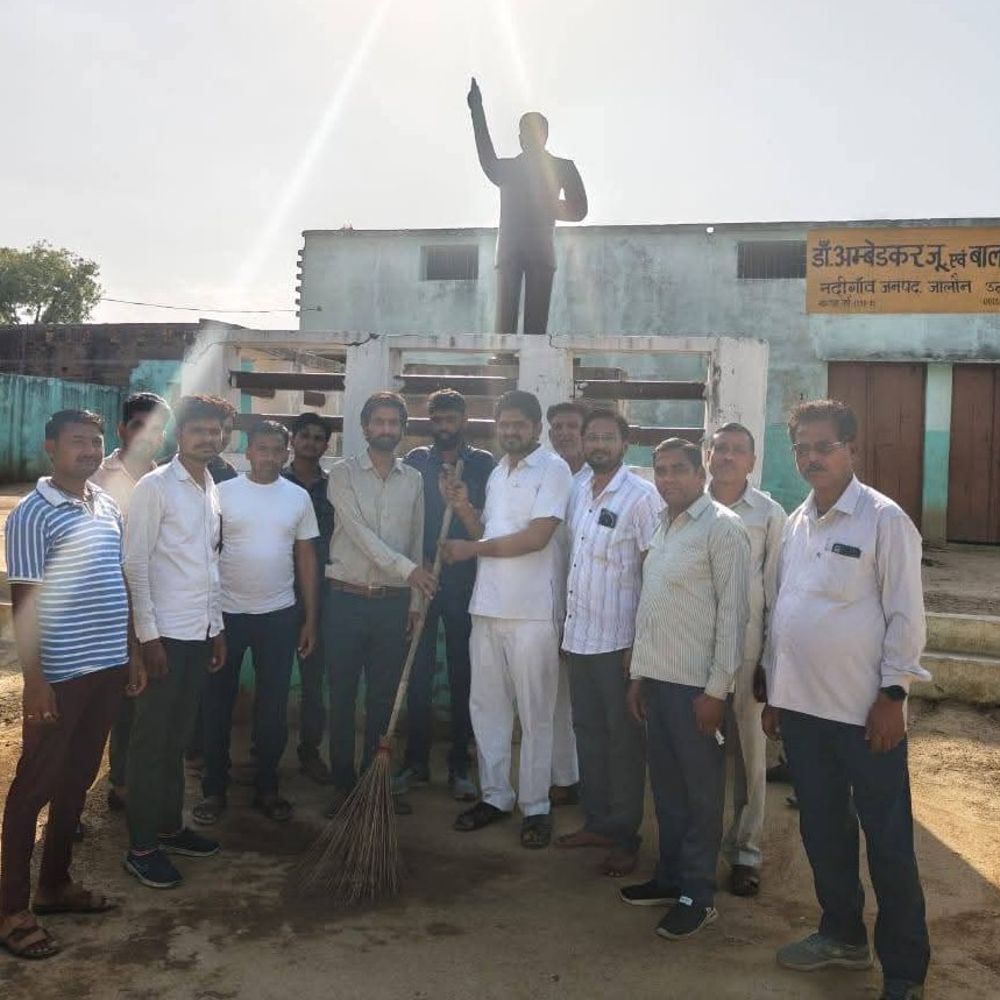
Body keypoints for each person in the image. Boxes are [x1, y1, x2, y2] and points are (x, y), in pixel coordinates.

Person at [762, 399, 931, 1000]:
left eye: (824, 446)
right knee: (824, 831)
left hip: (865, 717)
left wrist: (893, 695)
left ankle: (905, 971)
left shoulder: (884, 521)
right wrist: (776, 692)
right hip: (804, 714)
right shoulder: (797, 521)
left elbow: (906, 617)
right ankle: (841, 936)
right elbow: (786, 611)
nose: (811, 457)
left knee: (888, 842)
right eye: (802, 447)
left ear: (851, 450)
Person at [1, 410, 140, 960]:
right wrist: (35, 683)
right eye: (77, 442)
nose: (88, 450)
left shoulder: (105, 505)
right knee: (32, 789)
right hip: (60, 675)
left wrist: (129, 653)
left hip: (105, 670)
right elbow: (27, 602)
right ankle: (11, 908)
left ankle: (54, 884)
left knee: (76, 783)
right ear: (50, 447)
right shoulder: (34, 513)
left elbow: (119, 583)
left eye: (95, 442)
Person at [621, 438, 749, 940]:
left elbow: (733, 617)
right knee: (669, 793)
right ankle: (670, 876)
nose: (668, 479)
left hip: (698, 690)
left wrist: (717, 692)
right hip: (659, 683)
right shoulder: (664, 524)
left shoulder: (723, 528)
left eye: (679, 470)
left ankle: (698, 893)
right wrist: (639, 677)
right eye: (661, 471)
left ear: (701, 474)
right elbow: (652, 605)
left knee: (700, 797)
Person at [442, 390, 573, 850]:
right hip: (488, 606)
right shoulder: (500, 472)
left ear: (536, 428)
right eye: (504, 424)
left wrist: (469, 550)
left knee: (536, 714)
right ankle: (496, 795)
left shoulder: (553, 470)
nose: (511, 431)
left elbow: (537, 538)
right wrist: (461, 508)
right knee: (488, 706)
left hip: (534, 611)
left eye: (519, 424)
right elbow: (488, 532)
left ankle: (536, 806)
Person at [122, 394, 228, 890]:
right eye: (199, 430)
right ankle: (142, 847)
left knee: (177, 740)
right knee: (150, 745)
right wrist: (148, 638)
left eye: (216, 431)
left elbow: (207, 564)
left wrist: (217, 628)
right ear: (179, 436)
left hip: (197, 634)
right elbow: (135, 563)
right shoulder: (155, 487)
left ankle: (168, 825)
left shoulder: (209, 485)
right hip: (163, 637)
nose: (209, 438)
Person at [194, 421, 319, 825]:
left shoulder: (298, 498)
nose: (268, 457)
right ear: (246, 453)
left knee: (273, 708)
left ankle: (268, 786)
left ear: (286, 454)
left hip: (279, 616)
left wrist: (310, 618)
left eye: (275, 450)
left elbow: (305, 559)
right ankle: (214, 788)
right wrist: (209, 616)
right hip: (226, 617)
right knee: (217, 704)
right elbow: (206, 555)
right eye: (261, 449)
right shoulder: (222, 495)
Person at [556, 409, 662, 878]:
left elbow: (653, 571)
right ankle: (598, 821)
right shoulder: (579, 490)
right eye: (591, 436)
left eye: (607, 437)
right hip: (580, 637)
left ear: (625, 442)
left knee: (623, 744)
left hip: (618, 644)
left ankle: (625, 836)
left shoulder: (641, 498)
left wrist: (638, 648)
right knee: (588, 735)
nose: (597, 444)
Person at [324, 392, 436, 816]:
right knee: (343, 696)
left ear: (402, 430)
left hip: (392, 606)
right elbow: (359, 536)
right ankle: (342, 786)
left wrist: (413, 603)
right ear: (365, 427)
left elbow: (416, 536)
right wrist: (408, 571)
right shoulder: (343, 475)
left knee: (384, 699)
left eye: (394, 422)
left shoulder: (414, 480)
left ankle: (375, 787)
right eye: (379, 422)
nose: (386, 429)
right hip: (346, 600)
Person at [397, 389, 495, 801]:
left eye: (450, 418)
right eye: (437, 418)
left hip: (465, 579)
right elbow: (403, 516)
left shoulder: (484, 465)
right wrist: (416, 556)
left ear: (464, 420)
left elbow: (489, 525)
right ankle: (415, 761)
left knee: (462, 673)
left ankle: (459, 763)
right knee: (417, 671)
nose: (443, 426)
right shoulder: (416, 462)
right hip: (423, 578)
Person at [705, 422, 787, 897]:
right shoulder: (691, 506)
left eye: (739, 451)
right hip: (696, 649)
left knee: (751, 756)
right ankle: (700, 846)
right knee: (702, 755)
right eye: (721, 449)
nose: (729, 457)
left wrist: (768, 662)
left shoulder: (769, 514)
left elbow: (777, 591)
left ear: (752, 462)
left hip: (748, 650)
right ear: (708, 455)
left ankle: (746, 853)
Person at [91, 392, 171, 814]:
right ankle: (100, 787)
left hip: (155, 606)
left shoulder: (166, 478)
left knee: (141, 699)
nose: (148, 436)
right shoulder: (98, 478)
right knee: (109, 705)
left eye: (157, 429)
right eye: (140, 426)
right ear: (123, 429)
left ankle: (124, 780)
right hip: (109, 607)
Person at [467, 77, 588, 336]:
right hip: (509, 251)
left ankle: (535, 365)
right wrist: (477, 112)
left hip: (541, 252)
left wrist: (549, 205)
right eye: (525, 132)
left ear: (544, 136)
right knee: (504, 331)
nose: (528, 137)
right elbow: (486, 156)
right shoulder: (508, 168)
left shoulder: (562, 167)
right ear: (520, 137)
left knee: (536, 332)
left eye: (534, 132)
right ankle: (503, 360)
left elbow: (580, 209)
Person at [282, 412, 336, 784]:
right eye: (305, 436)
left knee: (314, 681)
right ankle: (263, 750)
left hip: (321, 594)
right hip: (277, 591)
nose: (311, 443)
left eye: (319, 438)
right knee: (274, 678)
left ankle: (310, 751)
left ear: (326, 446)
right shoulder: (274, 483)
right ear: (293, 441)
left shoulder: (334, 489)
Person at [545, 400, 591, 806]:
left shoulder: (598, 482)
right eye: (556, 426)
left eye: (571, 425)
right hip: (548, 601)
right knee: (558, 697)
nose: (563, 433)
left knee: (592, 700)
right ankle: (565, 777)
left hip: (595, 607)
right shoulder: (544, 475)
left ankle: (595, 778)